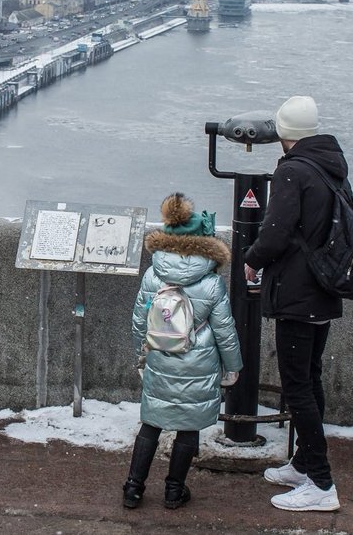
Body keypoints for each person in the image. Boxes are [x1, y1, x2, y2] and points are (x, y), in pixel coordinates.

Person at [243, 95, 344, 512]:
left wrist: (251, 260)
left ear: (283, 132)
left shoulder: (292, 171)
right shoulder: (330, 165)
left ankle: (321, 484)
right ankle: (303, 463)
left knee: (297, 386)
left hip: (297, 293)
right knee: (311, 378)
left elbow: (276, 231)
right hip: (323, 287)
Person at [124, 193, 243, 510]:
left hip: (160, 359)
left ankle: (133, 488)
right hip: (198, 365)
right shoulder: (211, 282)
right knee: (188, 428)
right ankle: (174, 491)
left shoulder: (154, 273)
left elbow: (139, 320)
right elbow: (224, 330)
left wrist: (142, 356)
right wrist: (233, 368)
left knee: (151, 424)